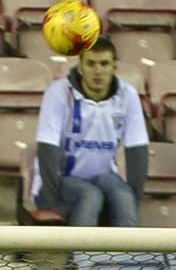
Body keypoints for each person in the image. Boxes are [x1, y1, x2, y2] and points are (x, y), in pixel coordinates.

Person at [34, 38, 149, 227]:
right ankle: (82, 257)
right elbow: (47, 149)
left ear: (114, 67)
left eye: (104, 64)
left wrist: (134, 200)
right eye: (91, 64)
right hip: (59, 182)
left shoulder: (127, 95)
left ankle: (126, 256)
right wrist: (53, 201)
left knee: (123, 196)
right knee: (90, 196)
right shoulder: (58, 93)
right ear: (80, 67)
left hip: (104, 178)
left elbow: (137, 150)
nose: (97, 71)